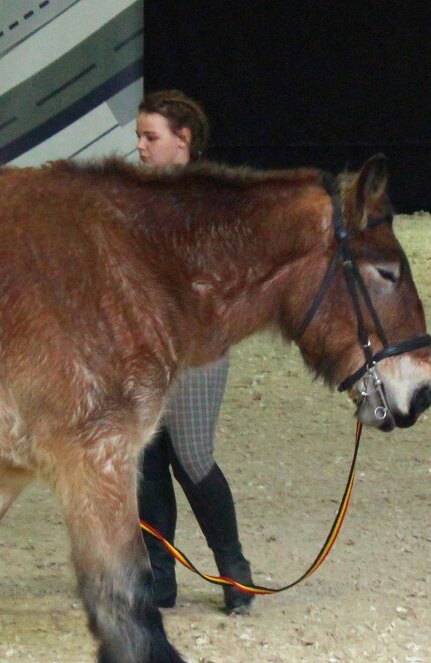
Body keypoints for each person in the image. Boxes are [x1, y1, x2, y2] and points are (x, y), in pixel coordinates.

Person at [134, 89, 255, 615]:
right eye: (139, 136)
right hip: (142, 347)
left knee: (192, 456)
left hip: (197, 344)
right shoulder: (136, 196)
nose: (140, 147)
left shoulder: (212, 199)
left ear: (182, 141)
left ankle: (235, 571)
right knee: (145, 458)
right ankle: (159, 576)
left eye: (150, 137)